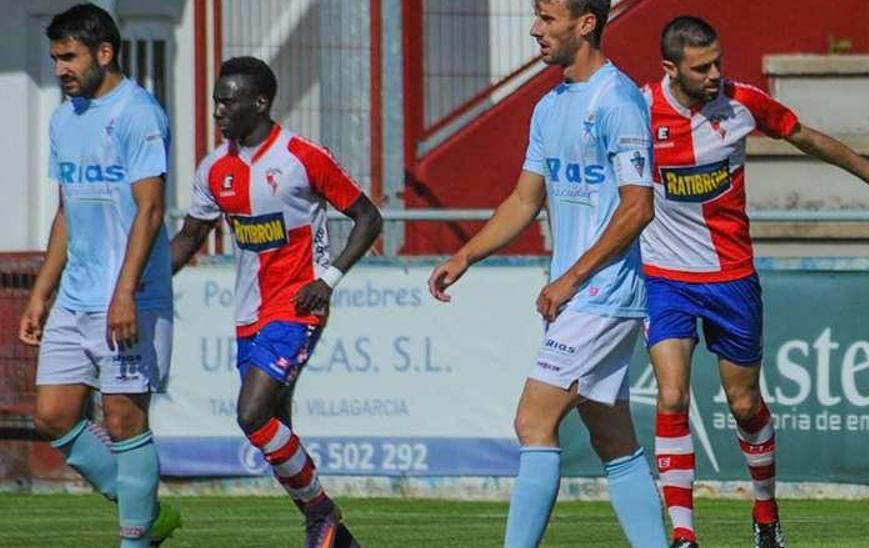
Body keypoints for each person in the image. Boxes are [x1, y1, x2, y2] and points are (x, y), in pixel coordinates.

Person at [639, 15, 869, 548]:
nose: (716, 74)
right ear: (670, 69)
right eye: (702, 67)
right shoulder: (639, 108)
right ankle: (685, 536)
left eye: (719, 62)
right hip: (664, 275)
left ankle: (765, 514)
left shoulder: (742, 103)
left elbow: (804, 136)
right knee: (671, 397)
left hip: (731, 277)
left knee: (744, 405)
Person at [427, 1, 666, 546]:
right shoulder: (550, 104)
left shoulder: (619, 100)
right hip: (582, 295)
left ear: (586, 24)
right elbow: (523, 199)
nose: (535, 30)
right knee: (612, 438)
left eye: (547, 19)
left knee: (533, 422)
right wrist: (466, 256)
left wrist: (572, 278)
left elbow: (638, 208)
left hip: (601, 294)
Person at [169, 56, 383, 548]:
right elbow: (188, 239)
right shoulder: (214, 168)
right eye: (216, 101)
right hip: (248, 313)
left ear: (260, 102)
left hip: (297, 305)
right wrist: (138, 282)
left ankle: (322, 513)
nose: (219, 110)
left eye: (229, 100)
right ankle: (338, 537)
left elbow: (369, 218)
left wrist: (327, 279)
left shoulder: (302, 156)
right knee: (274, 433)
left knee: (251, 414)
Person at [18, 4, 182, 545]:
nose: (61, 69)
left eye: (69, 57)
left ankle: (136, 538)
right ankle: (148, 510)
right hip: (75, 297)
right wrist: (41, 293)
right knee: (52, 415)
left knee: (124, 421)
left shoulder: (138, 113)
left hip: (131, 296)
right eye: (56, 58)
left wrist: (125, 294)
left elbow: (151, 210)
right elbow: (68, 209)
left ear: (104, 53)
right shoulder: (64, 119)